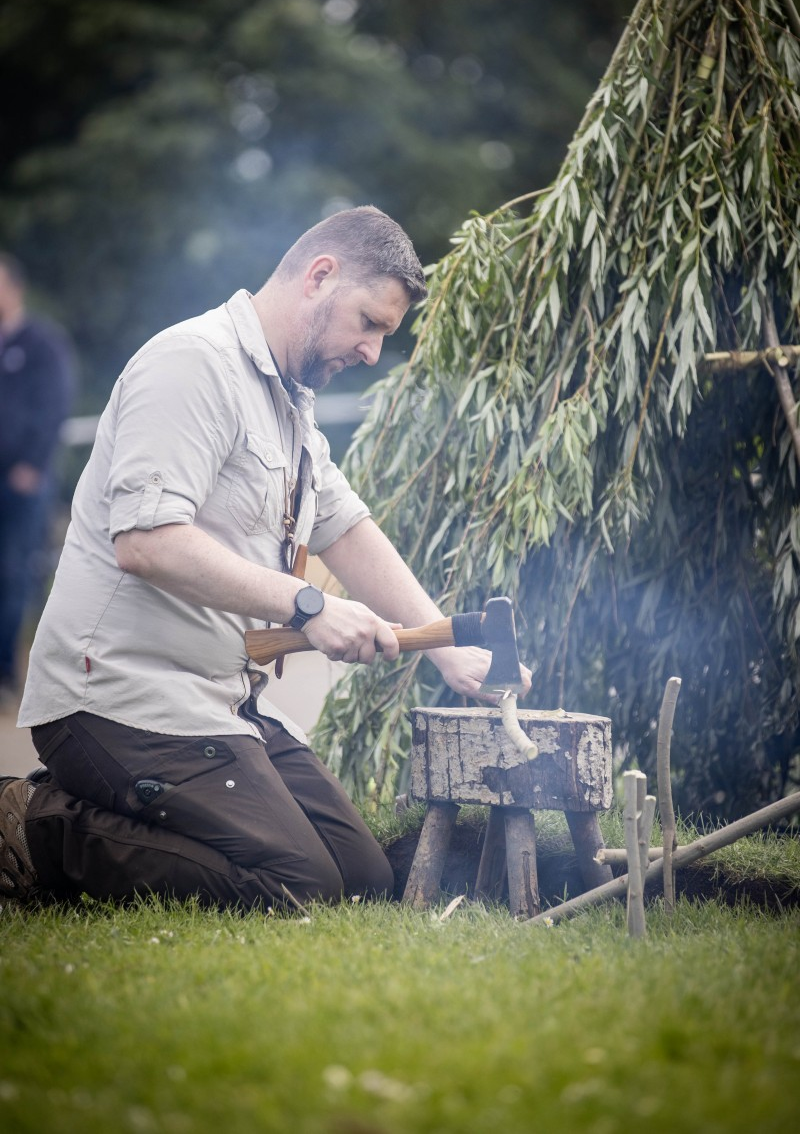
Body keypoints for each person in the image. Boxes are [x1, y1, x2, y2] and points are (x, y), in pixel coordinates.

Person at [0, 206, 530, 909]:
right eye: (369, 322)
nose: (373, 351)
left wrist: (445, 648)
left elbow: (349, 527)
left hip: (220, 701)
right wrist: (308, 604)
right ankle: (34, 827)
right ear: (319, 276)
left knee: (362, 877)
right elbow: (146, 541)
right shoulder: (192, 363)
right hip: (117, 700)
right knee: (299, 883)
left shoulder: (290, 406)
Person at [0, 253, 74, 709]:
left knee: (14, 573)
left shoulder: (43, 343)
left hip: (25, 483)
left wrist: (33, 463)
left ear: (15, 288)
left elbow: (55, 405)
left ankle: (7, 674)